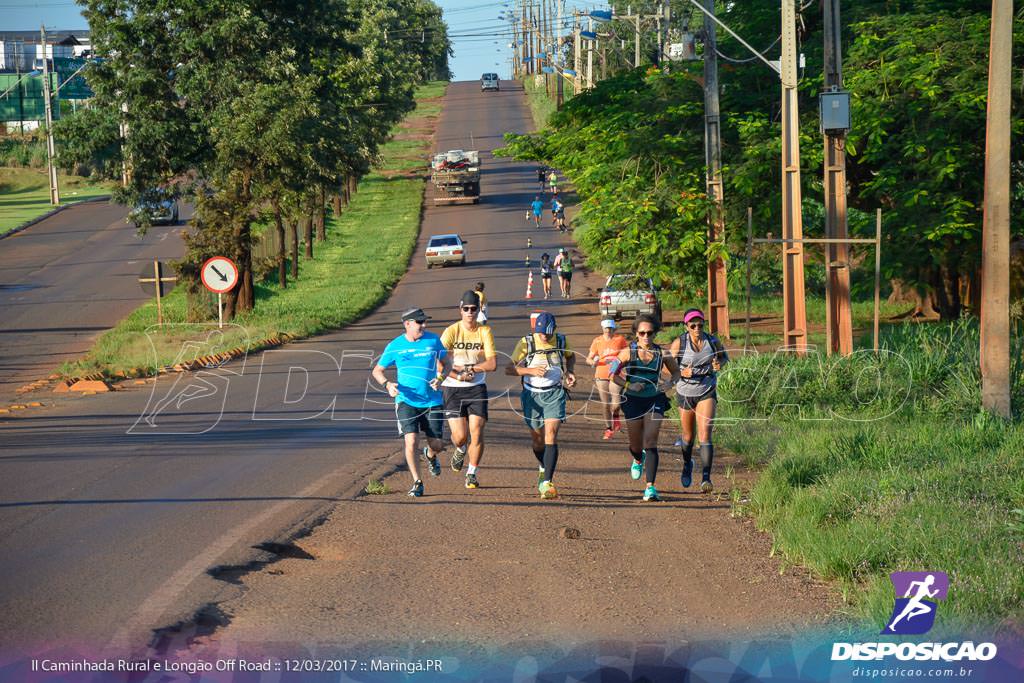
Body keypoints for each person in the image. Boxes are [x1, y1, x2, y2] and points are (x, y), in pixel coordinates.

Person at [371, 307, 447, 498]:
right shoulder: (395, 345)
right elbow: (377, 371)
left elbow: (448, 361)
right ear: (407, 324)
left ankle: (430, 455)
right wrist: (388, 385)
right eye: (419, 322)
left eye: (424, 322)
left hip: (432, 400)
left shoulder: (433, 340)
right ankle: (417, 482)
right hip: (406, 400)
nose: (424, 325)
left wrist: (440, 377)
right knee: (411, 440)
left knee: (437, 444)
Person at [608, 314, 680, 502]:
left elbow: (676, 373)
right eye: (642, 333)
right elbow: (612, 375)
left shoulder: (663, 354)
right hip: (632, 400)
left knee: (651, 441)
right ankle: (638, 459)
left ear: (655, 333)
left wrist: (669, 385)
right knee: (636, 445)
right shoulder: (627, 353)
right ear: (636, 334)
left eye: (650, 332)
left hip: (655, 399)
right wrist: (628, 386)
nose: (646, 336)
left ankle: (650, 487)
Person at [505, 312, 576, 499]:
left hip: (555, 393)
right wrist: (530, 371)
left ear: (554, 330)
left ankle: (547, 483)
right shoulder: (527, 342)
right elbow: (509, 368)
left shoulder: (561, 341)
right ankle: (543, 466)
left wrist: (569, 372)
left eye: (547, 332)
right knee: (538, 440)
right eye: (540, 332)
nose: (543, 335)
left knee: (551, 434)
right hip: (532, 395)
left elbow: (570, 357)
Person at [440, 290, 497, 489]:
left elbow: (492, 363)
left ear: (478, 310)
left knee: (477, 431)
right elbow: (439, 363)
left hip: (476, 388)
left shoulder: (484, 331)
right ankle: (461, 448)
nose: (470, 312)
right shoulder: (451, 331)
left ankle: (472, 473)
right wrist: (458, 375)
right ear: (460, 310)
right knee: (461, 436)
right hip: (453, 388)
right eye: (466, 309)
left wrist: (472, 369)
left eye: (473, 309)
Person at [667, 308, 728, 493]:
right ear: (686, 326)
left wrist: (719, 364)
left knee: (705, 436)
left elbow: (724, 357)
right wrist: (680, 372)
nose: (696, 328)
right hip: (685, 393)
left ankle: (706, 478)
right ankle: (687, 464)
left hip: (706, 390)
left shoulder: (712, 340)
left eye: (700, 324)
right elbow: (665, 367)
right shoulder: (679, 343)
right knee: (687, 436)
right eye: (692, 325)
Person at [587, 319, 629, 440]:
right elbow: (588, 359)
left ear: (614, 328)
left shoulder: (620, 339)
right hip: (601, 374)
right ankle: (608, 428)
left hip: (616, 374)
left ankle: (616, 415)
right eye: (606, 328)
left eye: (610, 328)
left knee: (616, 402)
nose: (608, 330)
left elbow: (626, 355)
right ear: (602, 328)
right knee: (605, 404)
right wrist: (594, 362)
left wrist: (621, 363)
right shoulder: (597, 341)